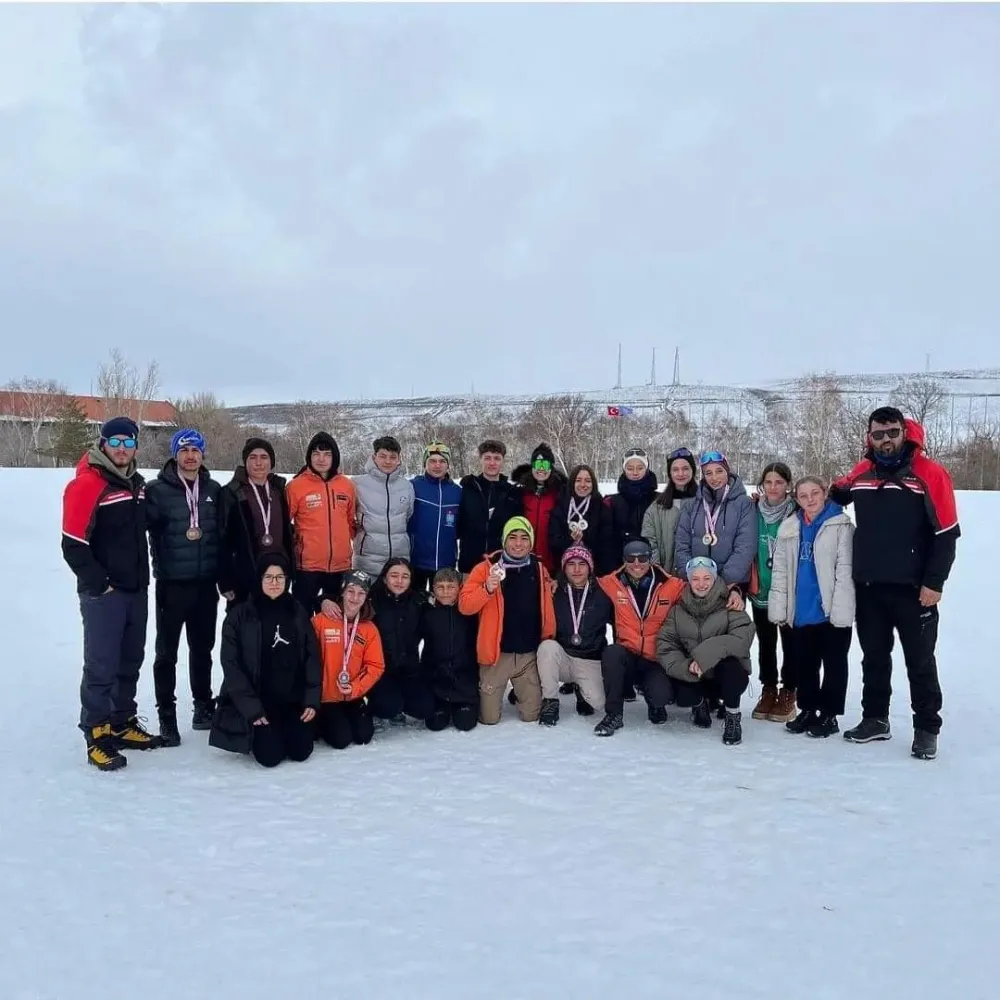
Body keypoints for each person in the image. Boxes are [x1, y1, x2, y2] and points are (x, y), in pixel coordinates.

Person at [830, 408, 960, 760]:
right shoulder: (863, 470)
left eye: (891, 432)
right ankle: (875, 718)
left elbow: (947, 534)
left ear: (905, 432)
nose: (885, 439)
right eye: (878, 434)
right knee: (874, 657)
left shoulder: (930, 473)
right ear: (868, 437)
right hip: (870, 584)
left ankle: (927, 728)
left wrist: (934, 583)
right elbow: (835, 493)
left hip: (915, 588)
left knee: (919, 660)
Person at [62, 416, 162, 769]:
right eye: (115, 441)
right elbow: (73, 544)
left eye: (128, 442)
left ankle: (121, 721)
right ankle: (97, 733)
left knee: (130, 661)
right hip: (105, 594)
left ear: (136, 446)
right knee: (101, 664)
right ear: (103, 443)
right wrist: (98, 584)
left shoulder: (135, 484)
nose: (122, 448)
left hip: (135, 589)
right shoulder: (88, 484)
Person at [145, 428, 224, 746]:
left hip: (205, 583)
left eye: (196, 450)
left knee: (202, 650)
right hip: (172, 584)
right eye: (184, 450)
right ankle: (166, 716)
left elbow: (222, 535)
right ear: (175, 454)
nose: (190, 456)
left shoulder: (214, 489)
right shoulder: (156, 490)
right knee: (166, 653)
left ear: (203, 455)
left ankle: (203, 707)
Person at [209, 553, 321, 768]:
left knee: (301, 751)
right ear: (259, 579)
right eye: (268, 577)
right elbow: (231, 665)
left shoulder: (297, 611)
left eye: (279, 577)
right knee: (269, 757)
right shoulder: (240, 615)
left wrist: (311, 700)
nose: (274, 583)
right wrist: (252, 709)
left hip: (291, 701)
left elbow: (311, 657)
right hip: (259, 703)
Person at [768, 477, 855, 738]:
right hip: (802, 607)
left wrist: (841, 609)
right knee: (804, 663)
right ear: (796, 499)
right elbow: (781, 570)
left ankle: (829, 715)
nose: (810, 500)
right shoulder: (790, 527)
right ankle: (807, 709)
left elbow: (845, 570)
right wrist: (780, 606)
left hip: (830, 608)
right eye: (803, 496)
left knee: (834, 663)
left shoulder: (841, 526)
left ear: (825, 493)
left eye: (814, 493)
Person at [459, 516, 555, 724]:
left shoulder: (539, 568)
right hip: (496, 655)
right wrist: (487, 589)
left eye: (524, 538)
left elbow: (547, 602)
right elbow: (465, 606)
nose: (518, 544)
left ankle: (520, 690)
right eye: (513, 538)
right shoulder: (485, 569)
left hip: (527, 655)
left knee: (531, 716)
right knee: (489, 719)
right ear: (504, 540)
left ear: (531, 541)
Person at [656, 557, 755, 746]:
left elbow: (742, 639)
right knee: (681, 693)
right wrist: (686, 667)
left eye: (707, 578)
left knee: (732, 668)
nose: (701, 584)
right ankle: (699, 704)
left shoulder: (730, 605)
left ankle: (732, 717)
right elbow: (665, 644)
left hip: (723, 678)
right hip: (695, 676)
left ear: (715, 578)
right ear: (689, 580)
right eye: (695, 579)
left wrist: (703, 657)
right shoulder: (678, 610)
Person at [592, 538, 685, 737]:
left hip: (655, 658)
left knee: (662, 695)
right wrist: (555, 583)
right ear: (624, 560)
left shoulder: (671, 584)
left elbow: (700, 592)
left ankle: (655, 703)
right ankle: (614, 714)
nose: (636, 564)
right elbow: (581, 582)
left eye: (642, 558)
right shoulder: (611, 583)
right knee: (611, 653)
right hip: (628, 655)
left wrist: (733, 592)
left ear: (650, 559)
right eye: (630, 558)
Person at [536, 545, 612, 726]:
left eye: (582, 564)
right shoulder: (554, 591)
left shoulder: (604, 592)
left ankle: (581, 690)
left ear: (590, 567)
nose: (576, 569)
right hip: (563, 657)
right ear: (564, 567)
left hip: (590, 660)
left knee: (600, 703)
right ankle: (550, 702)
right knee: (547, 648)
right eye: (571, 564)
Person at [747, 461, 798, 724]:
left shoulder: (798, 511)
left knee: (791, 643)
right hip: (761, 589)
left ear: (788, 485)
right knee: (766, 643)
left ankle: (789, 691)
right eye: (768, 482)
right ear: (762, 485)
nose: (773, 487)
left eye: (779, 482)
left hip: (789, 590)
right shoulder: (753, 509)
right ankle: (768, 688)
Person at [313, 569, 385, 749]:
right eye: (351, 591)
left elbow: (375, 666)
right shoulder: (322, 621)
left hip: (353, 694)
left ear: (367, 597)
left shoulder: (369, 628)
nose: (355, 598)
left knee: (363, 736)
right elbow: (308, 659)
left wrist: (355, 688)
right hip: (327, 698)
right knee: (341, 740)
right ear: (343, 592)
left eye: (361, 593)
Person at [285, 431, 356, 613]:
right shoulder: (296, 486)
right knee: (303, 619)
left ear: (335, 457)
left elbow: (350, 522)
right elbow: (285, 523)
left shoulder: (347, 485)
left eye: (327, 454)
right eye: (316, 454)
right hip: (307, 568)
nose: (321, 459)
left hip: (340, 567)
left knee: (334, 622)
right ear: (309, 457)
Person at [219, 437, 294, 605]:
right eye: (253, 457)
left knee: (274, 627)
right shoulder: (231, 493)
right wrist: (225, 580)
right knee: (244, 627)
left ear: (271, 462)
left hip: (278, 574)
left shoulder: (279, 491)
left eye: (264, 457)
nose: (258, 463)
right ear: (245, 462)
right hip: (245, 576)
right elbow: (222, 539)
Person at [675, 450, 756, 595]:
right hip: (696, 585)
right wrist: (693, 576)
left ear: (727, 471)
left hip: (731, 586)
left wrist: (722, 582)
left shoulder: (744, 504)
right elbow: (681, 545)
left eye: (719, 471)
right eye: (708, 473)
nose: (714, 477)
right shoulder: (691, 505)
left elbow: (745, 547)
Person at [366, 557, 435, 724]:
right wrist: (324, 601)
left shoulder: (418, 602)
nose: (399, 581)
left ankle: (401, 700)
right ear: (384, 578)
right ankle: (379, 707)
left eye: (405, 576)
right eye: (394, 575)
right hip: (380, 671)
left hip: (408, 669)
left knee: (425, 708)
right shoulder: (371, 601)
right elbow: (345, 601)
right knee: (389, 707)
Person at [419, 569, 480, 732]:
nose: (445, 592)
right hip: (437, 680)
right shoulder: (427, 612)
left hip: (465, 679)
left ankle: (463, 702)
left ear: (460, 587)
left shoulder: (469, 611)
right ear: (433, 588)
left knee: (465, 723)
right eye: (440, 587)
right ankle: (441, 702)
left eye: (451, 587)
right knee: (435, 724)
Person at [456, 439, 523, 575]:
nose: (492, 463)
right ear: (480, 459)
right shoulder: (467, 489)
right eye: (487, 458)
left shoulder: (512, 493)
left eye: (497, 458)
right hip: (470, 567)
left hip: (502, 567)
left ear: (503, 461)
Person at [353, 435, 415, 577]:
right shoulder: (357, 484)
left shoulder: (407, 486)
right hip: (367, 563)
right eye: (383, 456)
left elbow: (408, 516)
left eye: (393, 457)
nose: (388, 461)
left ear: (399, 459)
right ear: (374, 457)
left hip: (398, 564)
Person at [409, 442, 462, 591]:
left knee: (440, 608)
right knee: (414, 606)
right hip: (416, 561)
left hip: (445, 562)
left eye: (442, 461)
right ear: (425, 463)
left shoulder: (457, 492)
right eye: (432, 461)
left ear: (448, 465)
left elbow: (462, 525)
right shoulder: (413, 486)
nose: (437, 465)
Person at [548, 464, 613, 575]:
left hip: (594, 572)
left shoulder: (601, 507)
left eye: (588, 481)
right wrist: (569, 539)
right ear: (572, 483)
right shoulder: (561, 505)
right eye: (578, 480)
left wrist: (585, 538)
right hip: (564, 571)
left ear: (593, 484)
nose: (583, 485)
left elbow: (606, 543)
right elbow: (553, 540)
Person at [641, 447, 699, 572]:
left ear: (693, 470)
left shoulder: (705, 502)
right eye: (675, 470)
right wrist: (658, 570)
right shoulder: (657, 507)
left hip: (699, 579)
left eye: (685, 468)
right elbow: (650, 540)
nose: (680, 473)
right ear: (670, 473)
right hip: (666, 576)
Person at [512, 443, 566, 575]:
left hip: (551, 563)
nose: (541, 469)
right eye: (537, 465)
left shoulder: (560, 492)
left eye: (545, 465)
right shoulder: (520, 491)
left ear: (551, 468)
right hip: (522, 560)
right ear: (532, 467)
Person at [604, 447, 659, 563]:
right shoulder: (611, 502)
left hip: (654, 563)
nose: (635, 472)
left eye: (640, 468)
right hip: (620, 564)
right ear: (624, 470)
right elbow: (606, 541)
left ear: (647, 469)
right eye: (630, 468)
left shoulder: (660, 500)